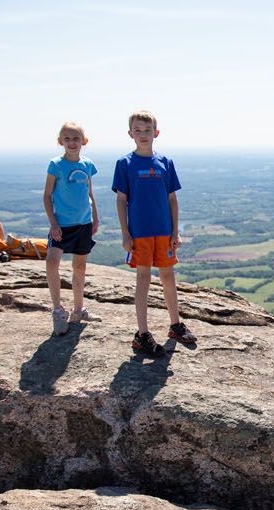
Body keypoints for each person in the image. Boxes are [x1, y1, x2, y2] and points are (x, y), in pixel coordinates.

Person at [112, 110, 196, 357]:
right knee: (143, 280)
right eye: (137, 130)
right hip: (140, 232)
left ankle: (175, 325)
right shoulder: (125, 163)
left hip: (163, 230)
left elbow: (172, 199)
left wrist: (175, 230)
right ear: (130, 134)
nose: (143, 134)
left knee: (168, 276)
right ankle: (142, 334)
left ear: (156, 133)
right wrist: (125, 234)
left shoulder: (165, 163)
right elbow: (121, 200)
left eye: (147, 130)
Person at [43, 121, 101, 336]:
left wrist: (95, 216)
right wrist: (53, 223)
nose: (72, 142)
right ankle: (58, 311)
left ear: (84, 141)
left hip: (84, 224)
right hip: (62, 225)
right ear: (60, 142)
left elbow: (89, 193)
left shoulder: (87, 165)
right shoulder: (55, 165)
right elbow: (47, 196)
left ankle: (78, 310)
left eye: (76, 138)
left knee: (79, 267)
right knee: (52, 261)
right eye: (67, 139)